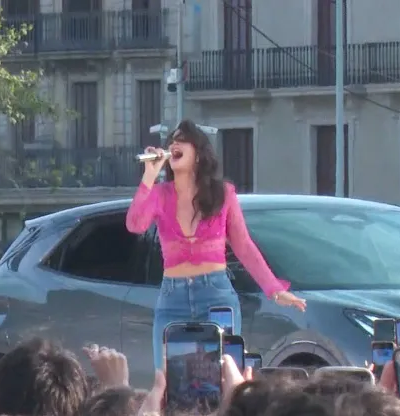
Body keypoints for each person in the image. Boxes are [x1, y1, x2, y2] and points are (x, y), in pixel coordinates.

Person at [126, 119, 306, 371]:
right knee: (167, 377)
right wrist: (149, 176)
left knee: (221, 375)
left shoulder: (223, 194)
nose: (174, 144)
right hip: (172, 297)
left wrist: (274, 289)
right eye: (172, 141)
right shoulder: (160, 194)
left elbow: (243, 245)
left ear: (199, 155)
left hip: (215, 294)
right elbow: (135, 224)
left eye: (182, 140)